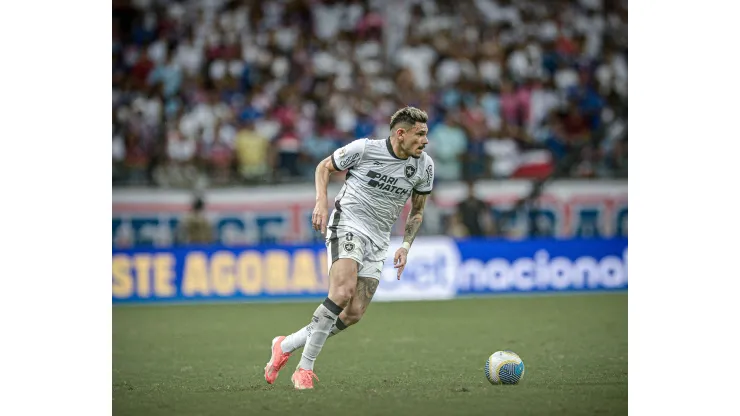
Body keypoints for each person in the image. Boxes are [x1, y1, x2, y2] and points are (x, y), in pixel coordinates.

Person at [264, 106, 435, 389]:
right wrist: (320, 201)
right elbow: (324, 167)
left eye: (426, 135)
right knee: (341, 293)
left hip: (379, 240)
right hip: (349, 223)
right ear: (400, 133)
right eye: (420, 135)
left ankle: (285, 345)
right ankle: (304, 369)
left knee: (354, 312)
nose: (425, 141)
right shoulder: (365, 149)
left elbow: (417, 210)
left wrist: (405, 244)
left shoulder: (424, 165)